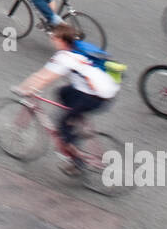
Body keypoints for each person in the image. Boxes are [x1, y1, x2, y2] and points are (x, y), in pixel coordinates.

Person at [15, 23, 120, 175]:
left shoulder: (65, 57)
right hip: (106, 89)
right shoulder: (77, 48)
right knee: (63, 92)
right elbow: (44, 75)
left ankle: (77, 162)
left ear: (61, 40)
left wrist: (24, 89)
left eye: (54, 37)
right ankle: (76, 119)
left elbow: (44, 77)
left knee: (62, 126)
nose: (51, 38)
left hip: (95, 97)